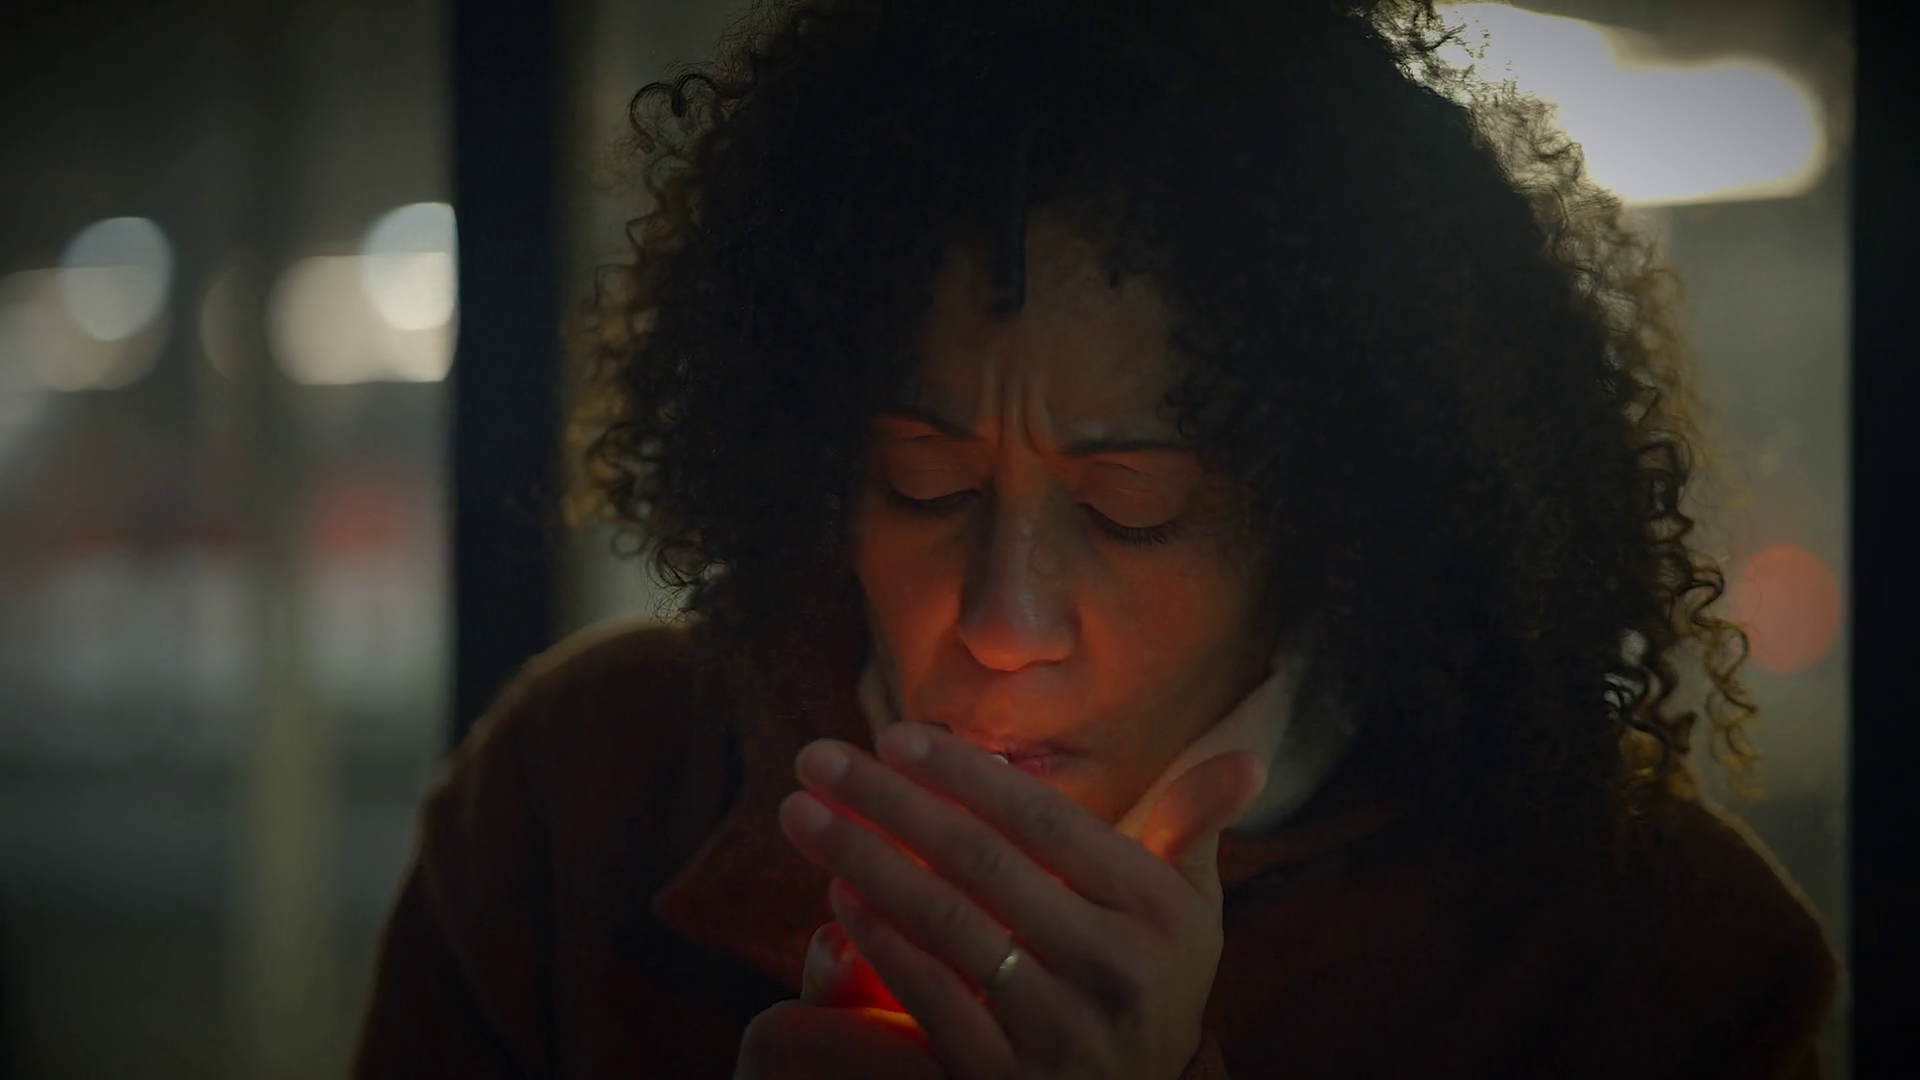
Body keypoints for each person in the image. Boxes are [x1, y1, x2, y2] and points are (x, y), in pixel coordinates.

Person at [353, 0, 1839, 1076]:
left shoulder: (1645, 954)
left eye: (1138, 510)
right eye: (923, 483)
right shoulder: (578, 795)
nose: (1005, 621)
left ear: (1338, 511)